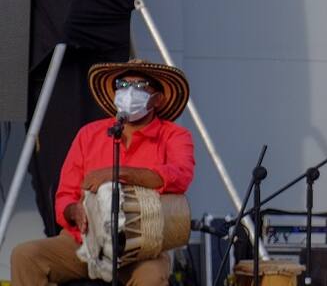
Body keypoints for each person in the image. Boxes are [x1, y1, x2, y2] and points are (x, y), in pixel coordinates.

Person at [12, 60, 195, 285]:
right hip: (84, 243)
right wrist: (73, 211)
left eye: (139, 86)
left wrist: (117, 173)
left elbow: (180, 176)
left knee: (151, 277)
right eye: (122, 85)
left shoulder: (175, 136)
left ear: (157, 99)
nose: (128, 93)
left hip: (143, 249)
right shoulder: (89, 134)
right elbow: (65, 195)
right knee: (25, 256)